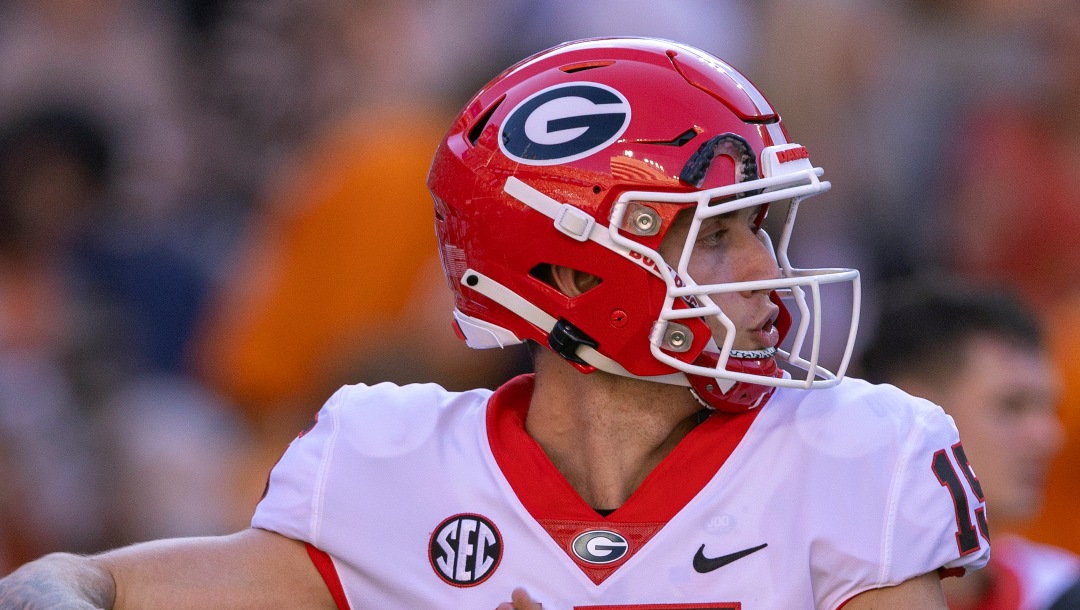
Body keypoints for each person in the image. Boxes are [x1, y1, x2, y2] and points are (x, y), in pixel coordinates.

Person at [0, 37, 988, 609]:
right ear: (568, 268)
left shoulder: (856, 453)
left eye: (765, 228)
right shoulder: (388, 465)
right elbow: (78, 587)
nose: (769, 275)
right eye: (719, 235)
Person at [859, 277, 1080, 610]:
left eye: (1048, 408)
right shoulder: (804, 586)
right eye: (1012, 406)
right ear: (912, 411)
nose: (1049, 437)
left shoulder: (1060, 587)